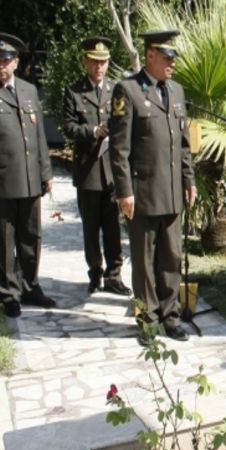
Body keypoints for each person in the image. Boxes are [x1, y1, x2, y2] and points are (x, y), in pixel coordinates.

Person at [109, 30, 196, 343]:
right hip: (142, 193)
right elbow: (119, 149)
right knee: (144, 262)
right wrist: (124, 191)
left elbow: (184, 145)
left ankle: (170, 317)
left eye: (174, 57)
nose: (172, 62)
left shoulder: (175, 90)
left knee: (171, 258)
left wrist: (189, 180)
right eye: (166, 56)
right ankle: (147, 320)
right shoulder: (128, 90)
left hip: (172, 192)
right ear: (149, 55)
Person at [63, 37, 130, 296]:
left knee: (113, 227)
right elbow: (68, 127)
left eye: (103, 62)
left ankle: (115, 276)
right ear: (85, 62)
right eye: (94, 62)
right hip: (88, 169)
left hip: (112, 171)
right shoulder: (74, 91)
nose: (99, 67)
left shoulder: (116, 90)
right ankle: (95, 274)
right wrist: (92, 130)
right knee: (91, 228)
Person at [0, 33, 55, 318]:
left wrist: (46, 173)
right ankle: (9, 293)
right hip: (4, 183)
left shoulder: (28, 91)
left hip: (32, 180)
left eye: (7, 59)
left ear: (16, 62)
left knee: (31, 236)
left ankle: (30, 285)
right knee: (4, 240)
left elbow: (39, 136)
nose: (2, 65)